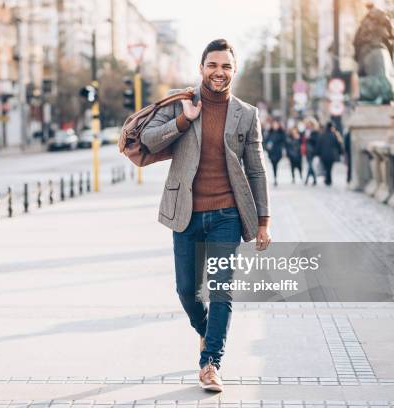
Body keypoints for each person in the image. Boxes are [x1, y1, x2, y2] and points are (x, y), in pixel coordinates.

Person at [140, 39, 271, 393]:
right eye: (213, 65)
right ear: (201, 68)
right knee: (187, 291)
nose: (219, 72)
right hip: (185, 213)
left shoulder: (246, 113)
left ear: (234, 71)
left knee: (221, 291)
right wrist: (184, 119)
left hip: (227, 214)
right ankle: (205, 330)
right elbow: (150, 140)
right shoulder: (180, 101)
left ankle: (210, 362)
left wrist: (263, 222)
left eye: (226, 66)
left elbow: (256, 170)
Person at [316, 122, 344, 186]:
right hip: (331, 154)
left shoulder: (322, 135)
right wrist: (340, 152)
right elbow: (338, 145)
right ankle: (329, 179)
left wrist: (317, 153)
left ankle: (327, 179)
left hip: (324, 155)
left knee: (326, 167)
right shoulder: (333, 135)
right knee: (329, 168)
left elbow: (319, 145)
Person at [265, 119, 286, 186]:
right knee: (273, 165)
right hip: (271, 152)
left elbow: (284, 141)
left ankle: (275, 177)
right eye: (274, 124)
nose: (275, 126)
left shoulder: (281, 133)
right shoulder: (270, 132)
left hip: (278, 151)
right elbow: (266, 141)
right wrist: (267, 146)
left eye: (276, 124)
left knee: (276, 164)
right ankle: (275, 178)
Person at [303, 117, 320, 186]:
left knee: (310, 165)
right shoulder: (305, 131)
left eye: (310, 124)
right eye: (308, 124)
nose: (309, 125)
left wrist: (309, 138)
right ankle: (313, 180)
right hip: (307, 150)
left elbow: (316, 141)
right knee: (310, 164)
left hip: (312, 150)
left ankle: (308, 179)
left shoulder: (315, 132)